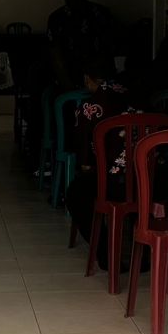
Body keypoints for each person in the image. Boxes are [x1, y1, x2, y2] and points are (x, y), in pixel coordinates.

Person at [64, 57, 139, 268]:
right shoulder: (137, 96)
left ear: (88, 79)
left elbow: (86, 162)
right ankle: (144, 257)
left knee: (76, 195)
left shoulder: (89, 108)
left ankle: (107, 254)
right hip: (147, 179)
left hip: (113, 183)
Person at [46, 0, 116, 89]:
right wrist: (69, 88)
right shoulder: (56, 19)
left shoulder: (100, 14)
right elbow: (56, 57)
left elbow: (109, 50)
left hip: (98, 76)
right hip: (68, 78)